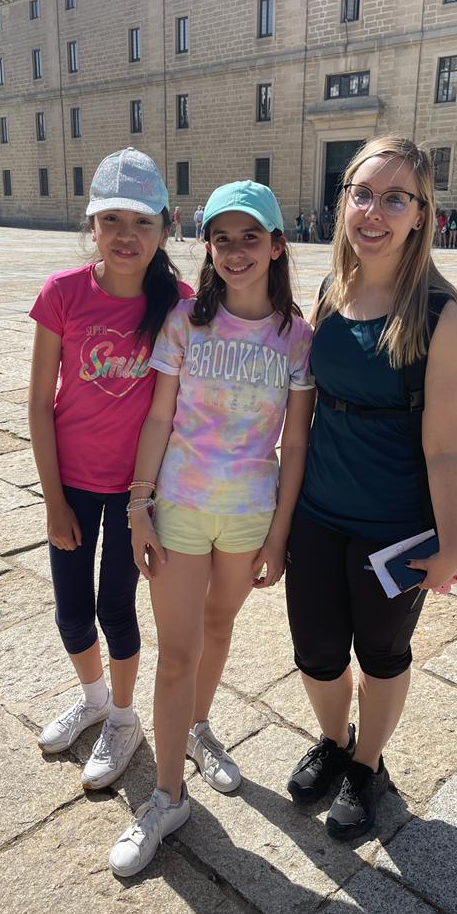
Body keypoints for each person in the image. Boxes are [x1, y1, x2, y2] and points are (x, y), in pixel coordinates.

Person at [109, 180, 315, 877]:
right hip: (182, 508)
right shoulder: (185, 322)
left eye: (250, 236)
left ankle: (198, 728)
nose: (235, 251)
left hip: (250, 513)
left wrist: (279, 534)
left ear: (277, 245)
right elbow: (159, 417)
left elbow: (296, 443)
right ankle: (167, 796)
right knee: (177, 651)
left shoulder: (297, 337)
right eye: (221, 238)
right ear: (208, 248)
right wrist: (139, 505)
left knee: (219, 625)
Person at [284, 136, 457, 841]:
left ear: (421, 214)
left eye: (396, 199)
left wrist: (451, 544)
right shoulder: (330, 293)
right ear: (344, 204)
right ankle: (336, 743)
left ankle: (368, 767)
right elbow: (301, 414)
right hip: (317, 513)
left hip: (393, 527)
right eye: (362, 194)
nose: (374, 211)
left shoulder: (440, 315)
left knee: (382, 656)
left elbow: (446, 446)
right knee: (315, 652)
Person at [28, 148, 192, 789]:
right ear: (91, 225)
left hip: (136, 494)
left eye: (142, 221)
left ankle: (124, 718)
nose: (127, 235)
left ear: (165, 227)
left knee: (116, 608)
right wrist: (52, 501)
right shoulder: (63, 294)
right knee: (71, 611)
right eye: (112, 220)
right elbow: (40, 403)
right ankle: (95, 699)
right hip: (71, 484)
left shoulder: (178, 304)